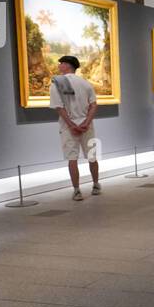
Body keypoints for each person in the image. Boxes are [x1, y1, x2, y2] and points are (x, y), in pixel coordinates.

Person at [49, 55, 99, 201]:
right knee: (92, 157)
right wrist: (86, 122)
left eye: (61, 63)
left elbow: (59, 107)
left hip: (68, 127)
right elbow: (93, 105)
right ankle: (96, 185)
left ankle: (77, 190)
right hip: (86, 126)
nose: (59, 66)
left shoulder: (57, 83)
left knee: (72, 158)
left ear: (68, 65)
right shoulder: (85, 83)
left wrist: (71, 125)